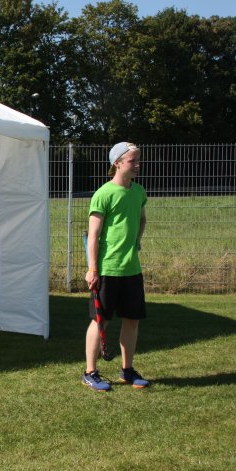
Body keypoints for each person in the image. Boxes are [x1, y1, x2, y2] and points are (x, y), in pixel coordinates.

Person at [83, 142, 149, 392]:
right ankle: (90, 372)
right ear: (117, 163)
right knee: (100, 322)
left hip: (131, 268)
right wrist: (93, 269)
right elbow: (93, 235)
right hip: (107, 270)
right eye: (133, 161)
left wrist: (137, 240)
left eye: (138, 160)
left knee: (132, 320)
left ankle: (127, 370)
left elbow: (141, 219)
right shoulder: (104, 194)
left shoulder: (139, 191)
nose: (138, 165)